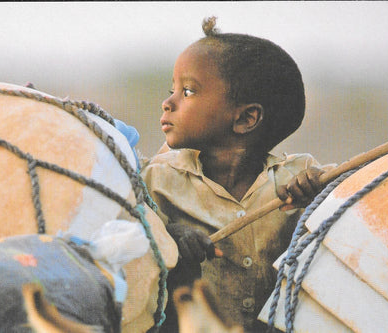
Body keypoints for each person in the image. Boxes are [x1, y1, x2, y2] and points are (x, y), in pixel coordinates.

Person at [141, 17, 331, 332]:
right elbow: (130, 241)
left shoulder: (298, 178)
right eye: (171, 90)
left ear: (245, 119)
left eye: (187, 91)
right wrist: (169, 237)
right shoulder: (156, 181)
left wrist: (322, 194)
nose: (168, 103)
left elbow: (360, 191)